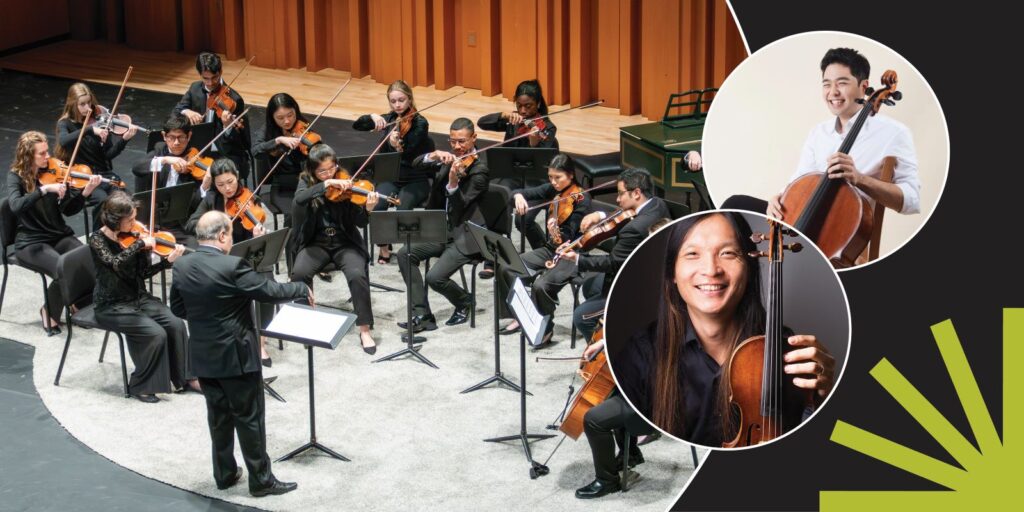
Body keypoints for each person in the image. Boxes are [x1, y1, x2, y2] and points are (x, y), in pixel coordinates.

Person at [614, 212, 836, 446]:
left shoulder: (784, 347)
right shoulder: (641, 352)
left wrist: (823, 398)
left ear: (749, 268)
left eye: (728, 253)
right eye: (692, 254)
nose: (711, 270)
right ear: (672, 274)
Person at [170, 211, 309, 497]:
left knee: (218, 417)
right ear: (222, 235)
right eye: (230, 234)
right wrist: (301, 287)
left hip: (204, 356)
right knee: (249, 418)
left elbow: (178, 309)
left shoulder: (181, 266)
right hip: (236, 356)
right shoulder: (232, 266)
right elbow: (269, 290)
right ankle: (261, 481)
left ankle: (224, 474)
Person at [722, 47, 920, 222]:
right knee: (735, 205)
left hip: (840, 227)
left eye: (842, 83)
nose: (833, 92)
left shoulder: (894, 133)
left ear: (863, 86)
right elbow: (800, 179)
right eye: (827, 84)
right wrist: (779, 197)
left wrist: (860, 179)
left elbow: (912, 200)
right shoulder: (819, 132)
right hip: (802, 214)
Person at [530, 168, 668, 346]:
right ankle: (607, 325)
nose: (617, 199)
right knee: (589, 286)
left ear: (637, 193)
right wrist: (600, 216)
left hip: (634, 285)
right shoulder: (657, 205)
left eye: (620, 194)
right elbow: (621, 219)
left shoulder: (634, 229)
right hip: (646, 269)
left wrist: (577, 259)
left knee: (581, 316)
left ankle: (605, 354)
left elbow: (613, 262)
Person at [89, 191, 197, 403]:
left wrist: (167, 262)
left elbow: (142, 274)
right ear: (114, 220)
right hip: (111, 304)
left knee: (175, 324)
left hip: (138, 297)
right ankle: (141, 385)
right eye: (129, 220)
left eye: (134, 218)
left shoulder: (133, 237)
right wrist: (140, 245)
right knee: (156, 333)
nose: (135, 223)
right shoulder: (97, 240)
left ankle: (186, 378)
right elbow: (115, 263)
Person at [396, 118, 489, 332]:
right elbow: (416, 163)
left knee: (434, 277)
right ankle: (422, 315)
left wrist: (454, 182)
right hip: (440, 229)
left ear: (474, 138)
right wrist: (434, 155)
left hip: (465, 234)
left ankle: (465, 301)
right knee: (405, 254)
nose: (457, 147)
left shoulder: (480, 170)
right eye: (453, 141)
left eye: (462, 142)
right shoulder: (448, 159)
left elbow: (462, 203)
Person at [6, 130, 102, 333]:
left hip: (58, 234)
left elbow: (68, 210)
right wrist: (43, 190)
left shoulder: (54, 172)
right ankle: (48, 312)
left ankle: (76, 303)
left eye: (47, 151)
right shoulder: (16, 177)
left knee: (88, 258)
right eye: (41, 153)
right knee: (63, 269)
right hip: (32, 242)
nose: (48, 156)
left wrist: (84, 193)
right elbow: (15, 205)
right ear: (28, 156)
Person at [287, 144, 378, 354]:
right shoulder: (306, 183)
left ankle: (364, 329)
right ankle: (305, 323)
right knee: (299, 272)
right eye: (322, 171)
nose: (329, 173)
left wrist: (368, 210)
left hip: (344, 243)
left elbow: (360, 223)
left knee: (357, 274)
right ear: (312, 171)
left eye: (331, 169)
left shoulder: (346, 181)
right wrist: (326, 183)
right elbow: (298, 201)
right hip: (316, 243)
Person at [187, 158, 275, 365]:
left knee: (267, 283)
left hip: (246, 256)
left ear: (237, 176)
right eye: (220, 184)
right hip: (221, 261)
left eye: (230, 182)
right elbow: (191, 224)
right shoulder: (211, 199)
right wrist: (214, 222)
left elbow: (259, 237)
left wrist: (257, 234)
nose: (227, 188)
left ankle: (260, 342)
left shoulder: (251, 197)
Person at [495, 153, 591, 335]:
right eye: (550, 177)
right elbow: (522, 192)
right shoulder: (553, 190)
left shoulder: (582, 200)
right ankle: (520, 316)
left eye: (558, 178)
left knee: (541, 285)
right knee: (507, 266)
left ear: (571, 175)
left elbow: (570, 235)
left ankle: (546, 328)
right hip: (551, 250)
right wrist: (518, 196)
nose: (554, 182)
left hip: (572, 255)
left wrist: (556, 232)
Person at [477, 79, 559, 277]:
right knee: (495, 202)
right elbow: (482, 123)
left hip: (537, 182)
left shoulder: (547, 128)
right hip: (512, 177)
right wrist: (503, 116)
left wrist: (534, 143)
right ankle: (493, 257)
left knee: (523, 220)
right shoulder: (513, 122)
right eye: (519, 106)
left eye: (528, 106)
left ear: (538, 104)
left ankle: (545, 253)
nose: (522, 111)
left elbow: (544, 164)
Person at [352, 80, 435, 264]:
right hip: (391, 176)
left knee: (403, 209)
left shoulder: (420, 122)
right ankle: (384, 247)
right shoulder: (388, 120)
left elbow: (412, 146)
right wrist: (372, 116)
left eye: (401, 100)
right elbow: (357, 125)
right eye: (393, 101)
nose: (397, 105)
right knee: (378, 205)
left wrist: (397, 143)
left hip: (415, 178)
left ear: (410, 99)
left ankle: (408, 253)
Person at [574, 335, 653, 499]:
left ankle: (607, 481)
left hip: (653, 399)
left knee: (593, 419)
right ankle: (630, 453)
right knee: (611, 390)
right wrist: (605, 342)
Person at [55, 82, 137, 226]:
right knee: (103, 201)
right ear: (73, 104)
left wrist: (123, 140)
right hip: (84, 177)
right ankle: (98, 239)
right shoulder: (65, 124)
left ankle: (121, 233)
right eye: (82, 104)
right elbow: (63, 141)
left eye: (89, 103)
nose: (87, 108)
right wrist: (89, 129)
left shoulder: (100, 122)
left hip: (103, 175)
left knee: (128, 199)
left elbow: (108, 155)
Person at [173, 51, 251, 181]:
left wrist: (228, 127)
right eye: (205, 78)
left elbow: (240, 140)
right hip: (198, 147)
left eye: (214, 78)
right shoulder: (195, 88)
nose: (210, 83)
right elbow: (177, 111)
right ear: (200, 75)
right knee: (179, 169)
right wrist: (187, 112)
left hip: (224, 151)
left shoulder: (235, 99)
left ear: (220, 72)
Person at [130, 113, 205, 248]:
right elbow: (136, 167)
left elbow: (195, 202)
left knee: (195, 249)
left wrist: (205, 185)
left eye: (181, 137)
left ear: (189, 136)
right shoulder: (159, 152)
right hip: (152, 222)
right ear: (165, 136)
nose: (176, 143)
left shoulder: (196, 161)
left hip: (180, 225)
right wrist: (165, 160)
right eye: (171, 137)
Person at [252, 93, 313, 228]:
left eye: (290, 115)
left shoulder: (304, 126)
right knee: (294, 215)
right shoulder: (268, 130)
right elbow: (256, 151)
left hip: (305, 183)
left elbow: (318, 154)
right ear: (272, 117)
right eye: (280, 118)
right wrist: (278, 140)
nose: (286, 121)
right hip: (282, 186)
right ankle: (292, 246)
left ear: (296, 111)